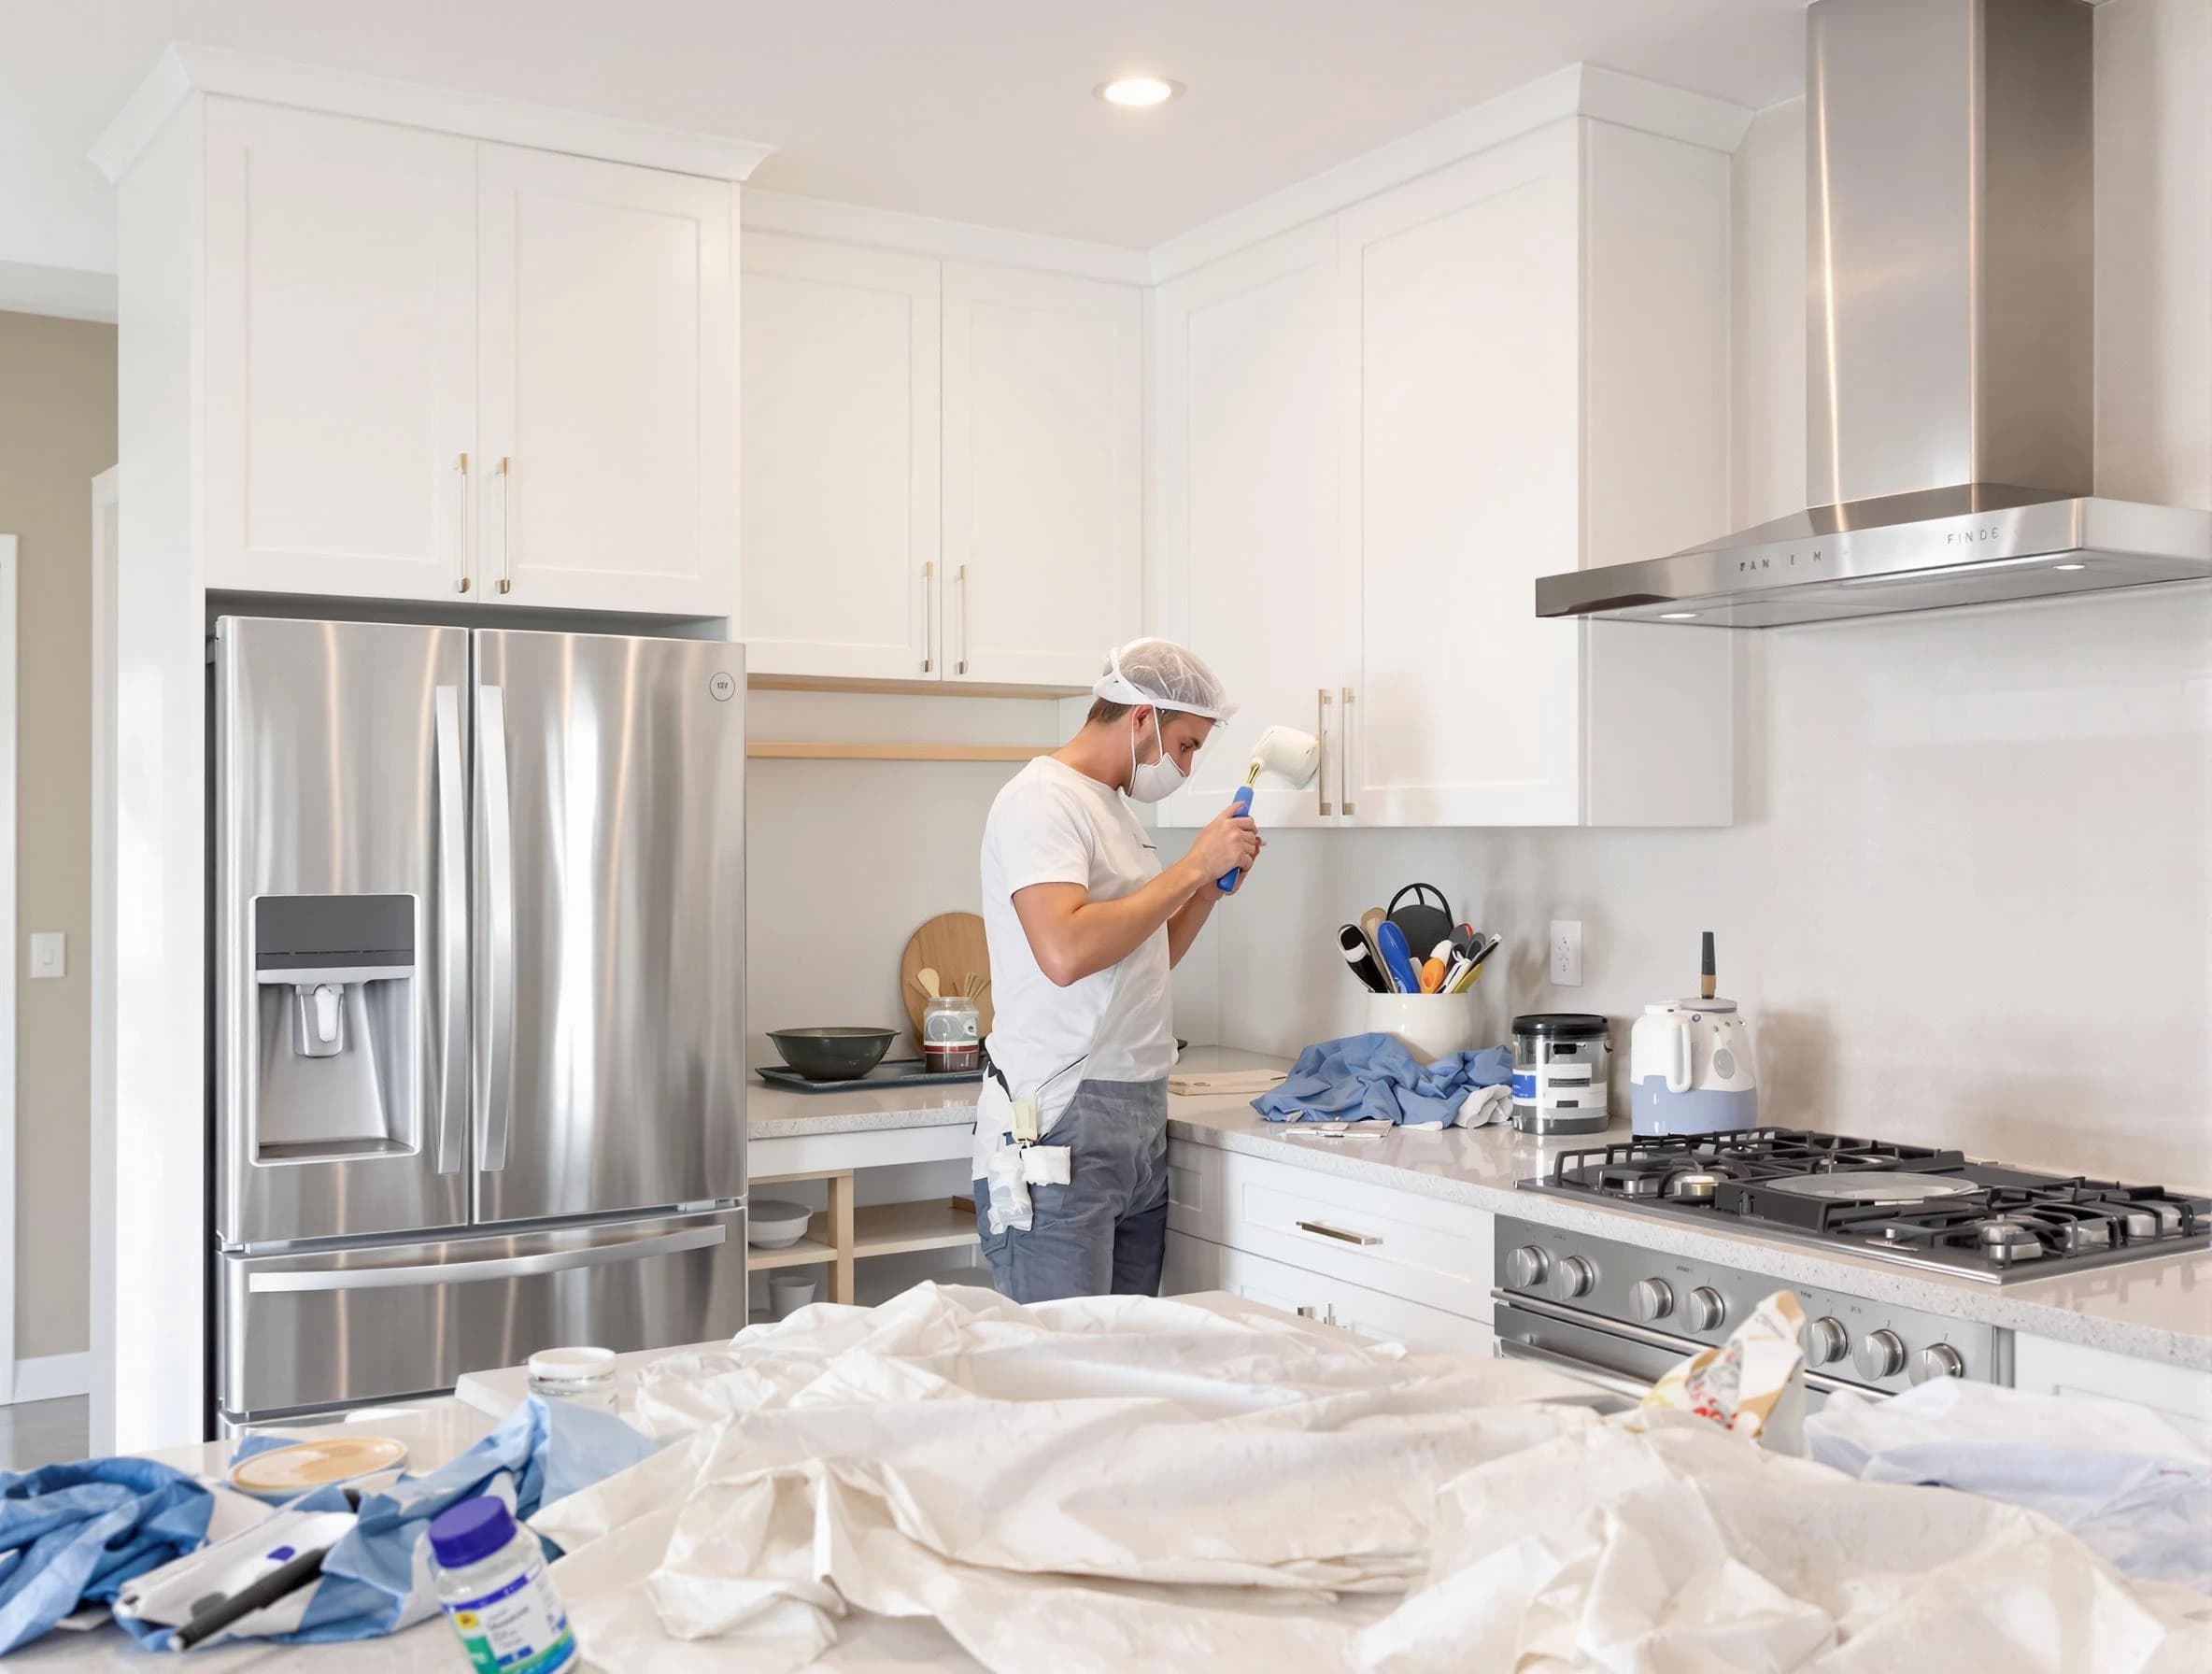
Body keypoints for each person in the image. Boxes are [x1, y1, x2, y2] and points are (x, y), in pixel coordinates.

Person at [971, 638, 1261, 1303]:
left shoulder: (1119, 813)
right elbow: (1066, 953)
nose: (1186, 766)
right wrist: (1189, 867)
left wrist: (1205, 894)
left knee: (1126, 1365)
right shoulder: (1040, 801)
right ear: (1140, 718)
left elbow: (1143, 958)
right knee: (1063, 1376)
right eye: (1186, 745)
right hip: (1057, 1126)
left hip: (1135, 1119)